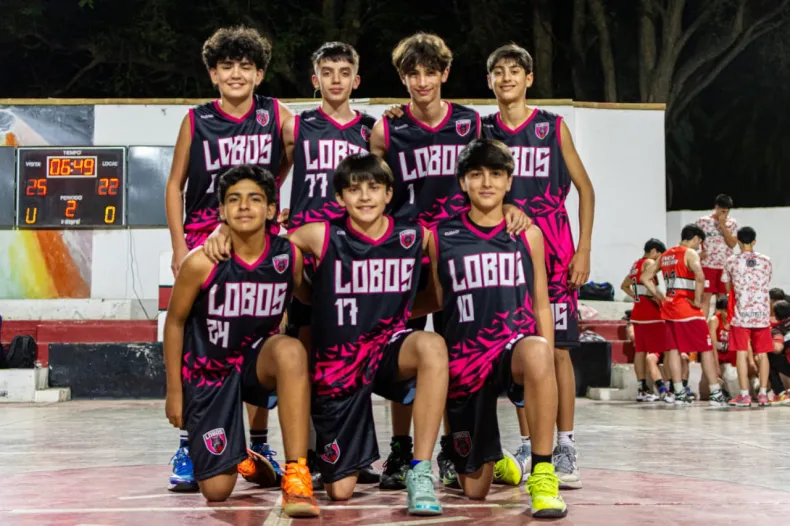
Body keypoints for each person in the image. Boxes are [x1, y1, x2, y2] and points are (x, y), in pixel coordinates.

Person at [369, 32, 528, 490]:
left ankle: (461, 446)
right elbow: (375, 186)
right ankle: (402, 449)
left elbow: (491, 169)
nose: (421, 82)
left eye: (429, 72)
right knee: (407, 353)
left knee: (463, 353)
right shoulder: (386, 129)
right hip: (407, 254)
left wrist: (510, 205)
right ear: (402, 78)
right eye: (412, 74)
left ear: (445, 74)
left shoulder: (469, 122)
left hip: (460, 249)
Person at [164, 26, 293, 492]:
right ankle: (189, 441)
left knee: (260, 332)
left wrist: (272, 197)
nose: (236, 73)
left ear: (259, 73)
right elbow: (174, 185)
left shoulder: (274, 113)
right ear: (213, 74)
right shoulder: (197, 120)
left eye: (246, 66)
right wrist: (181, 247)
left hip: (256, 236)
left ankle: (258, 443)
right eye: (226, 66)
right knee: (201, 339)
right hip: (207, 240)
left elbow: (306, 143)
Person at [288, 154, 448, 515]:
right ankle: (341, 460)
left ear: (389, 193)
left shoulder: (414, 236)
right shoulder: (320, 234)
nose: (364, 196)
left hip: (388, 349)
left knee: (432, 345)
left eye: (374, 188)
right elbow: (275, 251)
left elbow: (439, 293)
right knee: (340, 492)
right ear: (339, 197)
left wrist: (402, 311)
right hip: (339, 362)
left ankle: (420, 469)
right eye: (353, 189)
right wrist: (312, 298)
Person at [163, 166, 318, 517]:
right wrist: (174, 391)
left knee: (290, 349)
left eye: (254, 199)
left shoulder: (287, 257)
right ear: (221, 210)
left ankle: (297, 473)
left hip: (254, 363)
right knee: (217, 492)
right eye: (234, 199)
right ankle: (240, 455)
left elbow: (306, 296)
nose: (244, 206)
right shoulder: (200, 262)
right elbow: (174, 323)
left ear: (271, 209)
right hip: (209, 371)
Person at [428, 139, 566, 517]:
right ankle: (500, 461)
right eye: (476, 175)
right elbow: (436, 299)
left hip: (512, 349)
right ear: (462, 183)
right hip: (465, 361)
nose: (486, 182)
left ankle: (543, 473)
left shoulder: (527, 234)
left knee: (537, 351)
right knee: (475, 491)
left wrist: (546, 357)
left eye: (496, 174)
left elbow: (541, 301)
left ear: (509, 182)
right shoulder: (440, 236)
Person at [479, 43, 595, 489]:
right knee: (521, 351)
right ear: (489, 81)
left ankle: (565, 445)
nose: (507, 77)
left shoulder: (551, 126)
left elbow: (586, 189)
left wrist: (583, 249)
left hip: (555, 250)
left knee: (558, 350)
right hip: (506, 254)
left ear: (529, 79)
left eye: (515, 71)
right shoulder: (484, 131)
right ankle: (530, 444)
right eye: (499, 71)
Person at [641, 224, 727, 406]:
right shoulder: (689, 253)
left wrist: (660, 297)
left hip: (669, 310)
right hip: (687, 310)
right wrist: (697, 301)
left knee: (673, 350)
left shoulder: (665, 255)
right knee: (706, 349)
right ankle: (715, 392)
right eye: (699, 242)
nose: (699, 246)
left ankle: (679, 392)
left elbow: (645, 278)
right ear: (695, 238)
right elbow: (700, 277)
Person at [724, 227, 773, 407]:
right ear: (754, 242)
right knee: (763, 354)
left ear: (738, 241)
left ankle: (744, 395)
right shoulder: (766, 260)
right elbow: (766, 281)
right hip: (761, 314)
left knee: (741, 352)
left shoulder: (731, 261)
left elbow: (727, 287)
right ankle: (763, 394)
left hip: (741, 314)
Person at [621, 238, 668, 402]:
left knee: (640, 352)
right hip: (651, 315)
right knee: (663, 351)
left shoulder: (636, 265)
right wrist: (662, 300)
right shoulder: (649, 263)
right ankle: (667, 388)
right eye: (660, 256)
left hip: (638, 314)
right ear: (654, 251)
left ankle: (642, 388)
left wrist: (637, 297)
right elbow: (649, 285)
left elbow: (624, 285)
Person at [695, 194, 737, 318]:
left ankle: (718, 326)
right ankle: (704, 327)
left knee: (722, 298)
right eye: (722, 211)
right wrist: (697, 254)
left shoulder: (732, 223)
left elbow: (732, 244)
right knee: (705, 296)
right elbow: (694, 240)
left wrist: (723, 225)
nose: (725, 214)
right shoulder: (702, 221)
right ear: (716, 207)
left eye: (727, 211)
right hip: (707, 265)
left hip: (725, 267)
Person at [708, 297, 737, 399]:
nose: (727, 314)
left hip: (732, 355)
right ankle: (720, 392)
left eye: (730, 310)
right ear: (720, 310)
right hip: (717, 355)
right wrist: (716, 366)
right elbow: (712, 346)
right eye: (725, 311)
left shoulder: (737, 320)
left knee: (732, 376)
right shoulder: (714, 320)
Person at [768, 300, 790, 405]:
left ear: (776, 315)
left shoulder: (777, 330)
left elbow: (778, 349)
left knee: (766, 356)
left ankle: (780, 393)